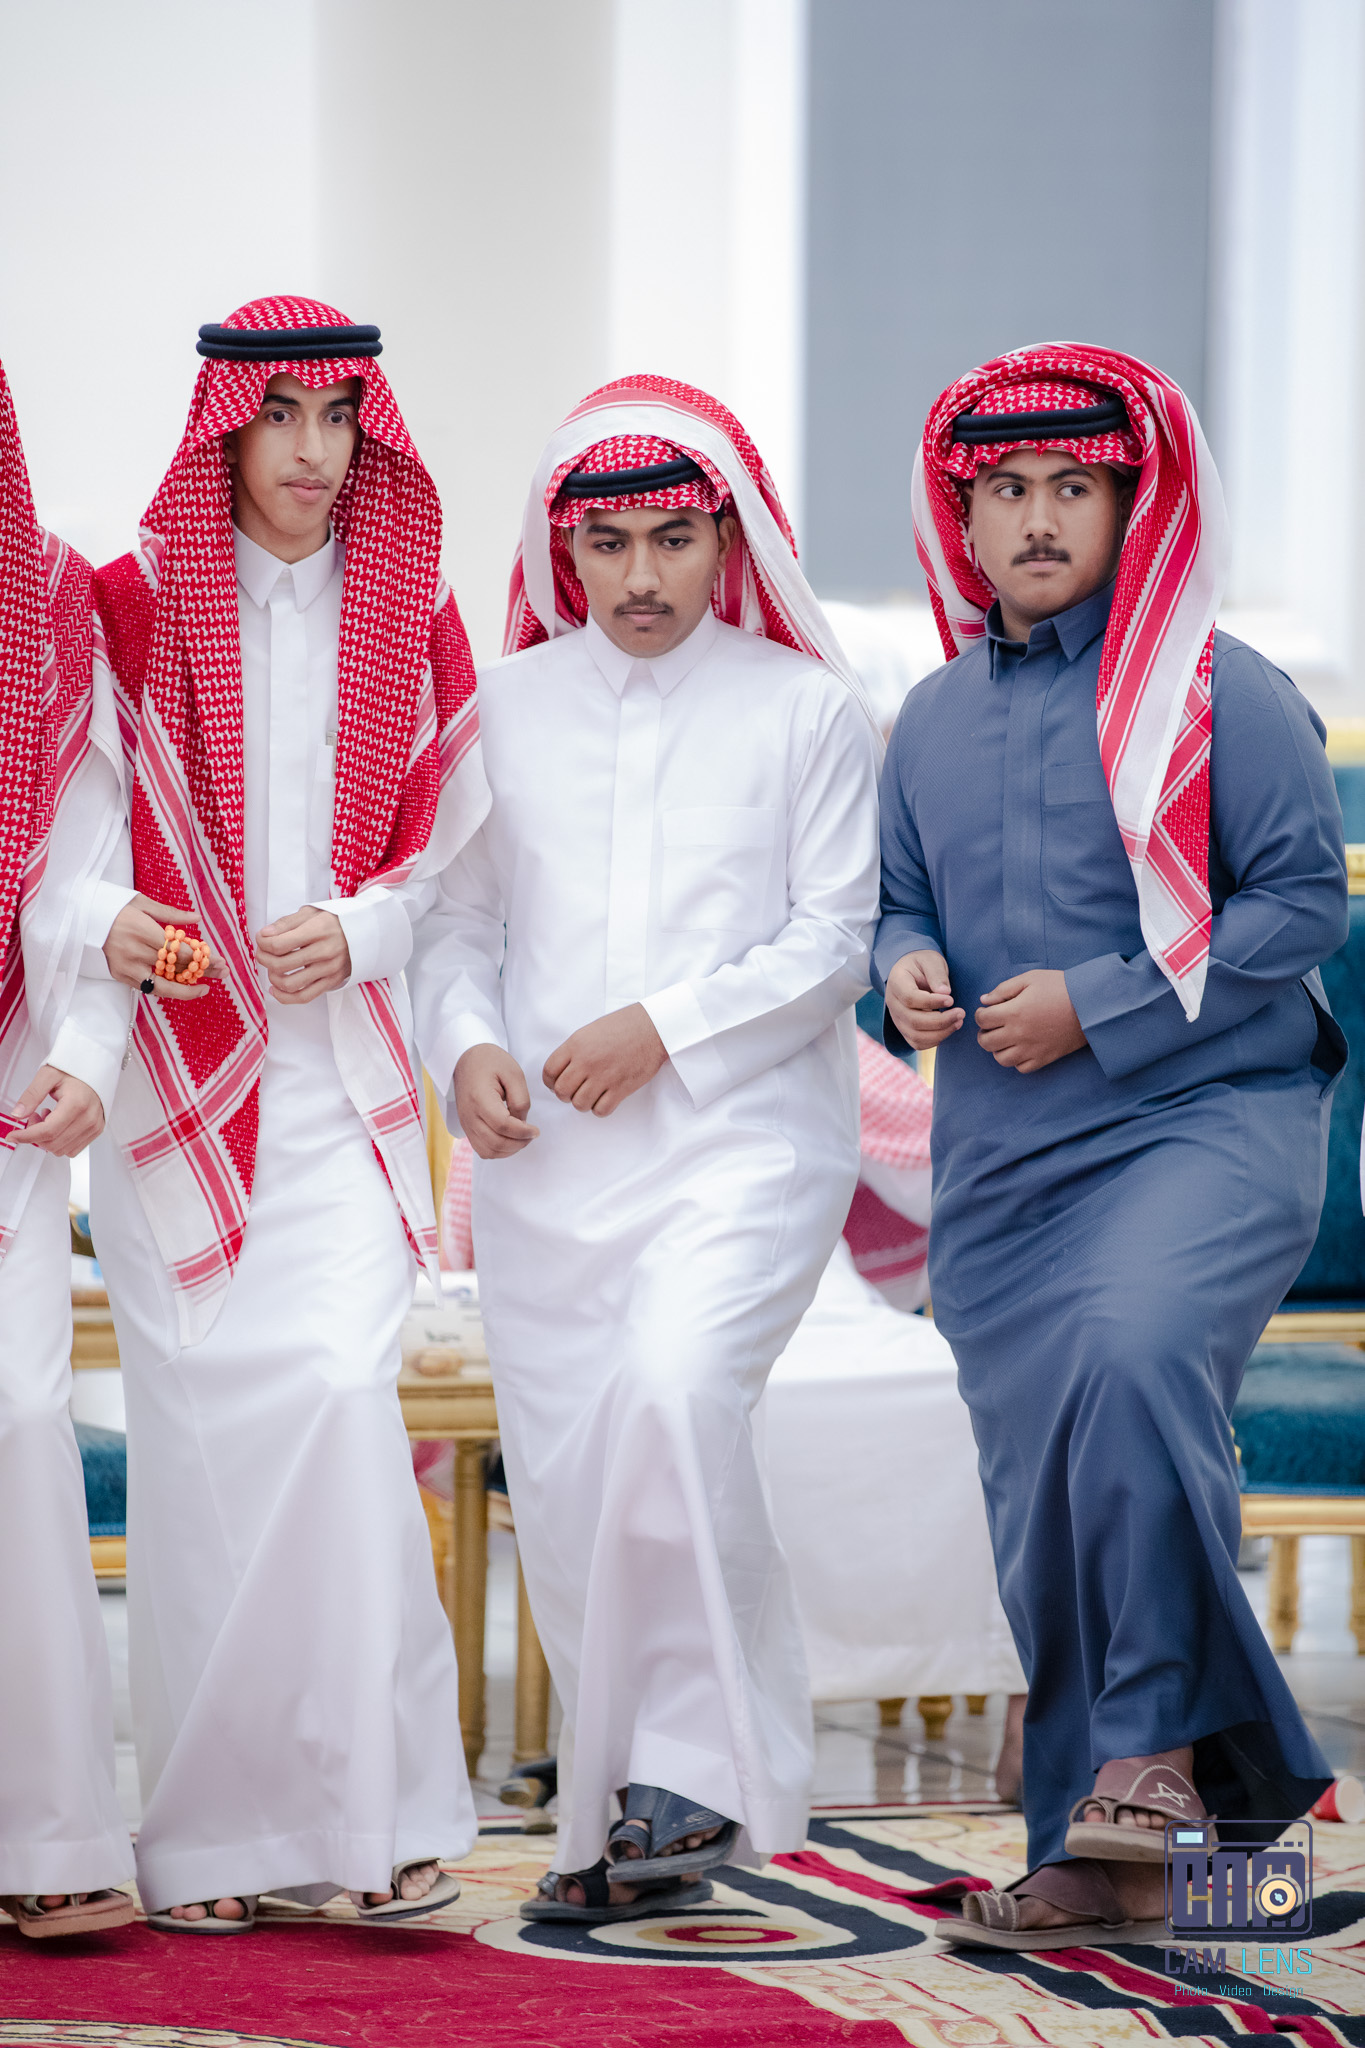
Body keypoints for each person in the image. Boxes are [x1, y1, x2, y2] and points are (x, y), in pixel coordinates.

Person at [877, 343, 1347, 1950]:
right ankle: (1141, 1852)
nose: (1033, 519)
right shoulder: (928, 717)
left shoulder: (1223, 690)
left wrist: (1101, 1003)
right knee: (1047, 1493)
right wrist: (902, 969)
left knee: (1132, 1362)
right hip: (1003, 1160)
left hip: (1206, 1119)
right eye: (1004, 490)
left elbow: (1303, 905)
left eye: (1069, 487)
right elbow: (898, 903)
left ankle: (1148, 1756)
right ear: (960, 518)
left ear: (1127, 506)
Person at [410, 375, 881, 1923]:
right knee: (573, 1481)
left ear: (725, 541)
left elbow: (833, 942)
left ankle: (693, 1774)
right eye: (606, 542)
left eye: (672, 538)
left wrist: (659, 1030)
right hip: (549, 1163)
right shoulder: (500, 707)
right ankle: (630, 1808)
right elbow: (456, 926)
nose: (638, 576)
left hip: (744, 1141)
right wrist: (467, 1046)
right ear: (563, 548)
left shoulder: (805, 708)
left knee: (676, 1397)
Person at [90, 297, 486, 1932]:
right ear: (226, 430)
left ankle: (373, 1815)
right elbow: (80, 828)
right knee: (200, 1462)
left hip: (335, 1087)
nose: (313, 452)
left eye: (339, 418)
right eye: (282, 419)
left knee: (334, 1405)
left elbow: (456, 856)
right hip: (173, 1083)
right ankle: (209, 1842)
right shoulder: (129, 606)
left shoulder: (418, 611)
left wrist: (368, 926)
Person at [0, 360, 141, 1939]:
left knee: (22, 1409)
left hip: (9, 1094)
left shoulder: (45, 605)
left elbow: (85, 871)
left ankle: (46, 1836)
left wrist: (88, 1055)